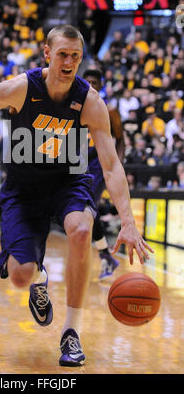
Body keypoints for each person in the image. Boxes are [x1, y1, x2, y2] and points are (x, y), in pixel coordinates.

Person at [0, 25, 154, 366]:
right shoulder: (22, 88)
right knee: (20, 276)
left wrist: (128, 222)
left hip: (69, 183)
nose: (68, 62)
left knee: (81, 231)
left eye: (75, 56)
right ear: (47, 54)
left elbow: (110, 166)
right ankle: (39, 280)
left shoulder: (90, 102)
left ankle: (71, 334)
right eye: (62, 54)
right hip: (23, 189)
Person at [83, 69, 125, 279]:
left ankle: (104, 256)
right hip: (81, 161)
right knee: (86, 210)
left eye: (95, 82)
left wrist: (116, 164)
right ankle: (106, 256)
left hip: (99, 162)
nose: (91, 85)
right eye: (87, 81)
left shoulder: (110, 111)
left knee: (87, 207)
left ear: (100, 85)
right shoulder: (77, 107)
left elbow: (121, 139)